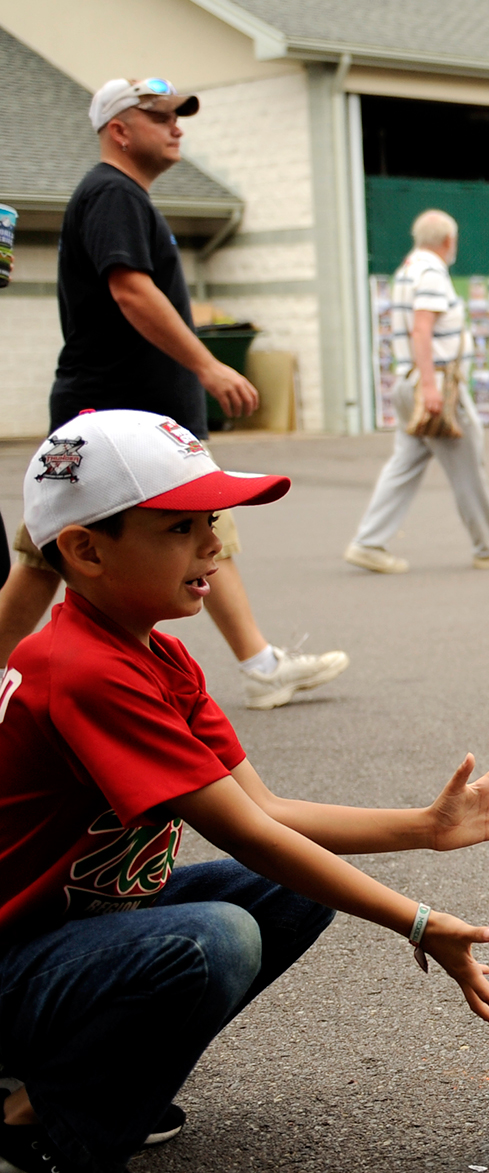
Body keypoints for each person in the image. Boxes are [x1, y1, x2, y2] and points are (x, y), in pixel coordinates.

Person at [0, 409, 489, 1173]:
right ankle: (27, 1147)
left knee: (284, 894)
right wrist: (417, 921)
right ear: (85, 549)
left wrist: (427, 828)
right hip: (18, 956)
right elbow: (249, 832)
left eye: (212, 521)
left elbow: (265, 809)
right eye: (180, 527)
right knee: (211, 939)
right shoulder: (83, 669)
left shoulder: (153, 651)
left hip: (66, 930)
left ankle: (97, 1084)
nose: (214, 546)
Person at [0, 77, 349, 709]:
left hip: (136, 420)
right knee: (47, 552)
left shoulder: (124, 197)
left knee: (202, 536)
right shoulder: (112, 192)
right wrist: (208, 366)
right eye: (159, 116)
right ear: (119, 130)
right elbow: (130, 289)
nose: (176, 126)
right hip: (113, 421)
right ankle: (258, 663)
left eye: (177, 116)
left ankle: (260, 662)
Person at [344, 210, 489, 573]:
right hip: (434, 385)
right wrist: (431, 387)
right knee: (468, 463)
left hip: (409, 381)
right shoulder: (431, 273)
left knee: (406, 462)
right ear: (449, 241)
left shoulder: (407, 269)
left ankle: (368, 542)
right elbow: (422, 330)